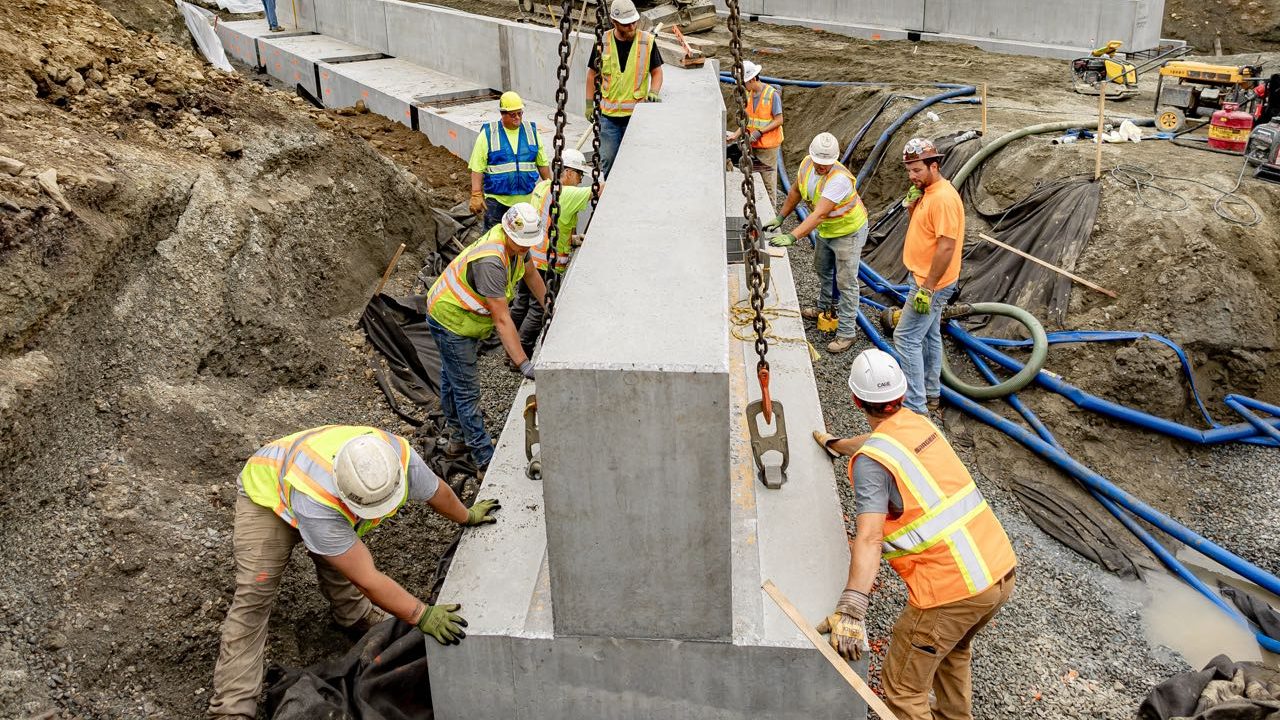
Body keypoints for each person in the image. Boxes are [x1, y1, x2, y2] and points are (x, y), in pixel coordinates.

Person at [208, 425, 501, 720]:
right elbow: (367, 578)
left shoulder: (399, 458)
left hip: (318, 494)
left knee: (337, 555)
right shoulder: (317, 500)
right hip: (268, 496)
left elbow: (436, 491)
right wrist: (420, 614)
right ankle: (232, 706)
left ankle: (352, 614)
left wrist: (466, 515)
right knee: (255, 596)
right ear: (344, 491)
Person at [813, 349, 1017, 720]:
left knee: (904, 691)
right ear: (902, 396)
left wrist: (853, 607)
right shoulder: (918, 424)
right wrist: (837, 445)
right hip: (998, 571)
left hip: (951, 591)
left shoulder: (874, 466)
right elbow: (880, 440)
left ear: (856, 399)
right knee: (952, 652)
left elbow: (870, 537)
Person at [427, 203, 547, 472]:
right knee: (467, 391)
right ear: (509, 233)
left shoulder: (517, 246)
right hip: (452, 321)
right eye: (522, 244)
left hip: (457, 315)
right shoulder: (492, 261)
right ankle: (483, 457)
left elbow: (531, 274)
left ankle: (457, 437)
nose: (526, 249)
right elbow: (502, 319)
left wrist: (550, 307)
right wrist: (522, 362)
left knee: (451, 378)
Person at [766, 131, 869, 354]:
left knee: (846, 281)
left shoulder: (839, 180)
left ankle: (846, 332)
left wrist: (793, 236)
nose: (822, 167)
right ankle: (824, 307)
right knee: (822, 269)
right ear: (811, 156)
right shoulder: (806, 164)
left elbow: (819, 214)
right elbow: (795, 191)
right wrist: (781, 217)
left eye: (827, 163)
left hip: (848, 232)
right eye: (819, 162)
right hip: (828, 230)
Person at [895, 137, 965, 417]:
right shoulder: (929, 193)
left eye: (917, 171)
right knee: (929, 336)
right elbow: (926, 232)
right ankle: (931, 393)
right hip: (926, 279)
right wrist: (913, 208)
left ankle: (915, 406)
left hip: (930, 283)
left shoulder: (944, 199)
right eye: (909, 171)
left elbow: (947, 246)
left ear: (933, 166)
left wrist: (927, 289)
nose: (912, 177)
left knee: (906, 338)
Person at [508, 148, 598, 357]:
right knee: (539, 308)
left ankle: (508, 348)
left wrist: (572, 239)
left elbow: (550, 220)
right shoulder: (566, 193)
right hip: (547, 265)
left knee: (521, 303)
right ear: (567, 172)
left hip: (528, 258)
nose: (579, 180)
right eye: (579, 174)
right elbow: (601, 190)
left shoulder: (542, 187)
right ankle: (521, 353)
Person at [586, 0, 664, 177]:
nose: (631, 27)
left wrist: (654, 91)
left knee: (636, 162)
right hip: (609, 117)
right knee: (608, 161)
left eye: (634, 22)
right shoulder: (602, 42)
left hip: (636, 116)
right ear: (614, 22)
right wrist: (589, 104)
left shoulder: (647, 41)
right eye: (626, 24)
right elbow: (592, 75)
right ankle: (607, 198)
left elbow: (657, 72)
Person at [468, 91, 551, 230]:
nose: (517, 117)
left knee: (523, 241)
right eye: (513, 114)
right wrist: (476, 193)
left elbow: (542, 163)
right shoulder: (489, 134)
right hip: (497, 202)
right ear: (503, 114)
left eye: (520, 113)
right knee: (494, 242)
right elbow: (477, 167)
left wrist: (549, 187)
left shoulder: (531, 132)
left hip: (526, 202)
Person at [725, 60, 784, 204]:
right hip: (753, 145)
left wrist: (760, 132)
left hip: (768, 148)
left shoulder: (771, 95)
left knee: (768, 182)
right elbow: (747, 120)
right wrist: (735, 135)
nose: (744, 86)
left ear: (752, 79)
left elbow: (779, 120)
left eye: (745, 82)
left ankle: (772, 212)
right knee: (756, 180)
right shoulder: (749, 95)